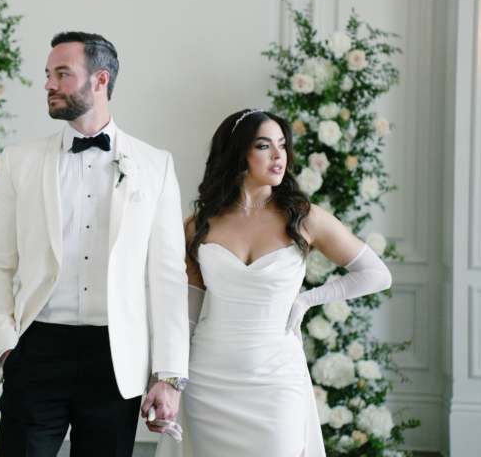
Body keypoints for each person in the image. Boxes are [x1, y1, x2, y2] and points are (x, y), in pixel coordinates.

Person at [0, 32, 190, 456]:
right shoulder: (18, 161)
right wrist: (4, 345)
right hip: (36, 348)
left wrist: (169, 375)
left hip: (116, 357)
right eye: (47, 74)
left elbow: (168, 277)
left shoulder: (155, 166)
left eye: (62, 73)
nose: (49, 85)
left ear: (99, 80)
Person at [157, 109, 392, 457]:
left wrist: (306, 300)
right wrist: (170, 377)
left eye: (282, 145)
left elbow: (377, 274)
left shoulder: (303, 217)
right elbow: (188, 311)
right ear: (239, 153)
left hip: (277, 375)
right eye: (265, 145)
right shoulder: (201, 223)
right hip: (210, 376)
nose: (279, 155)